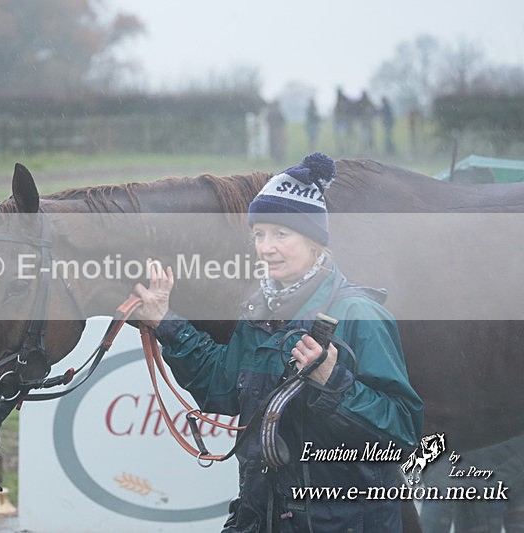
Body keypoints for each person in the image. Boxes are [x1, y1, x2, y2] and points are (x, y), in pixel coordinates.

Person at [134, 152, 424, 532]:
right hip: (262, 516)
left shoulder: (358, 314)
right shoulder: (260, 311)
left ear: (315, 243)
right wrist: (166, 324)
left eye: (281, 234)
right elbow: (222, 388)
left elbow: (402, 432)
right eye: (259, 234)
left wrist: (333, 383)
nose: (266, 248)